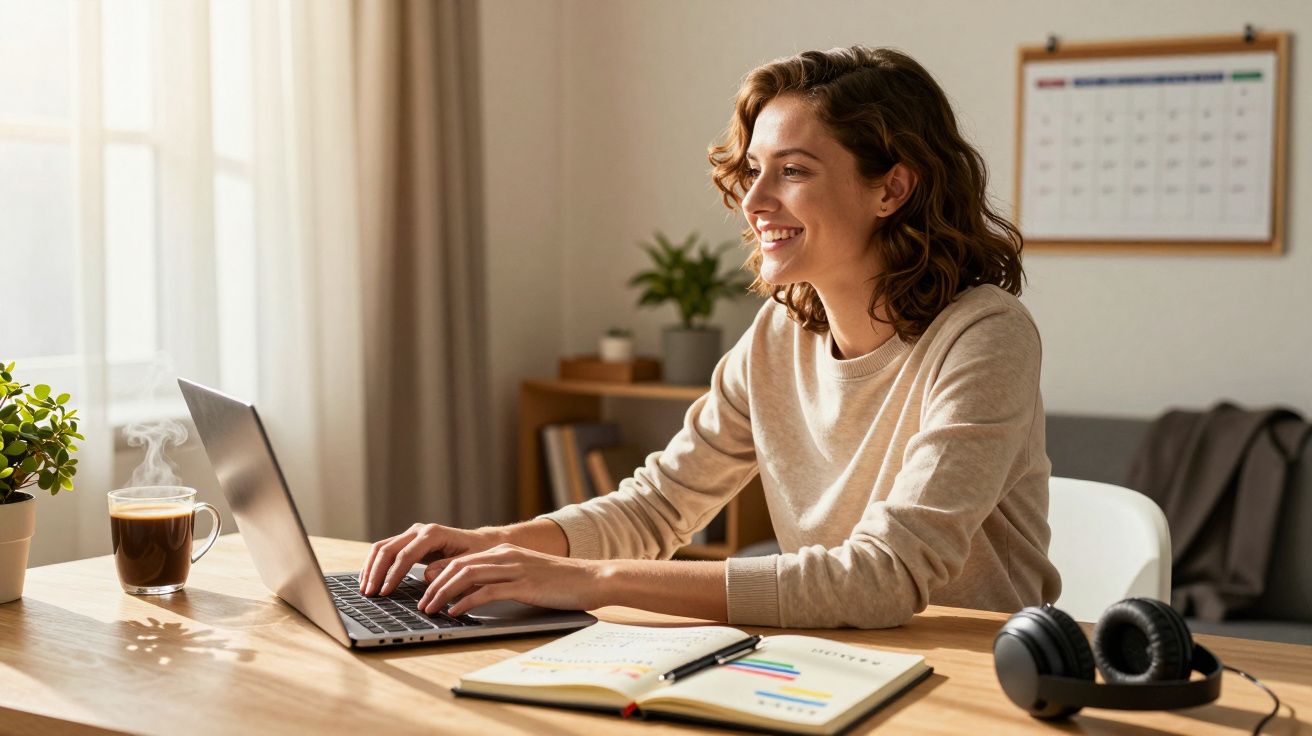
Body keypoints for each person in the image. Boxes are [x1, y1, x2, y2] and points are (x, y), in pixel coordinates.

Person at [360, 45, 1061, 629]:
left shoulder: (985, 336)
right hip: (828, 659)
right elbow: (659, 506)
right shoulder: (777, 336)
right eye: (754, 170)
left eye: (792, 171)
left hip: (973, 679)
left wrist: (589, 580)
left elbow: (884, 577)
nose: (754, 203)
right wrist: (495, 544)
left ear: (892, 189)